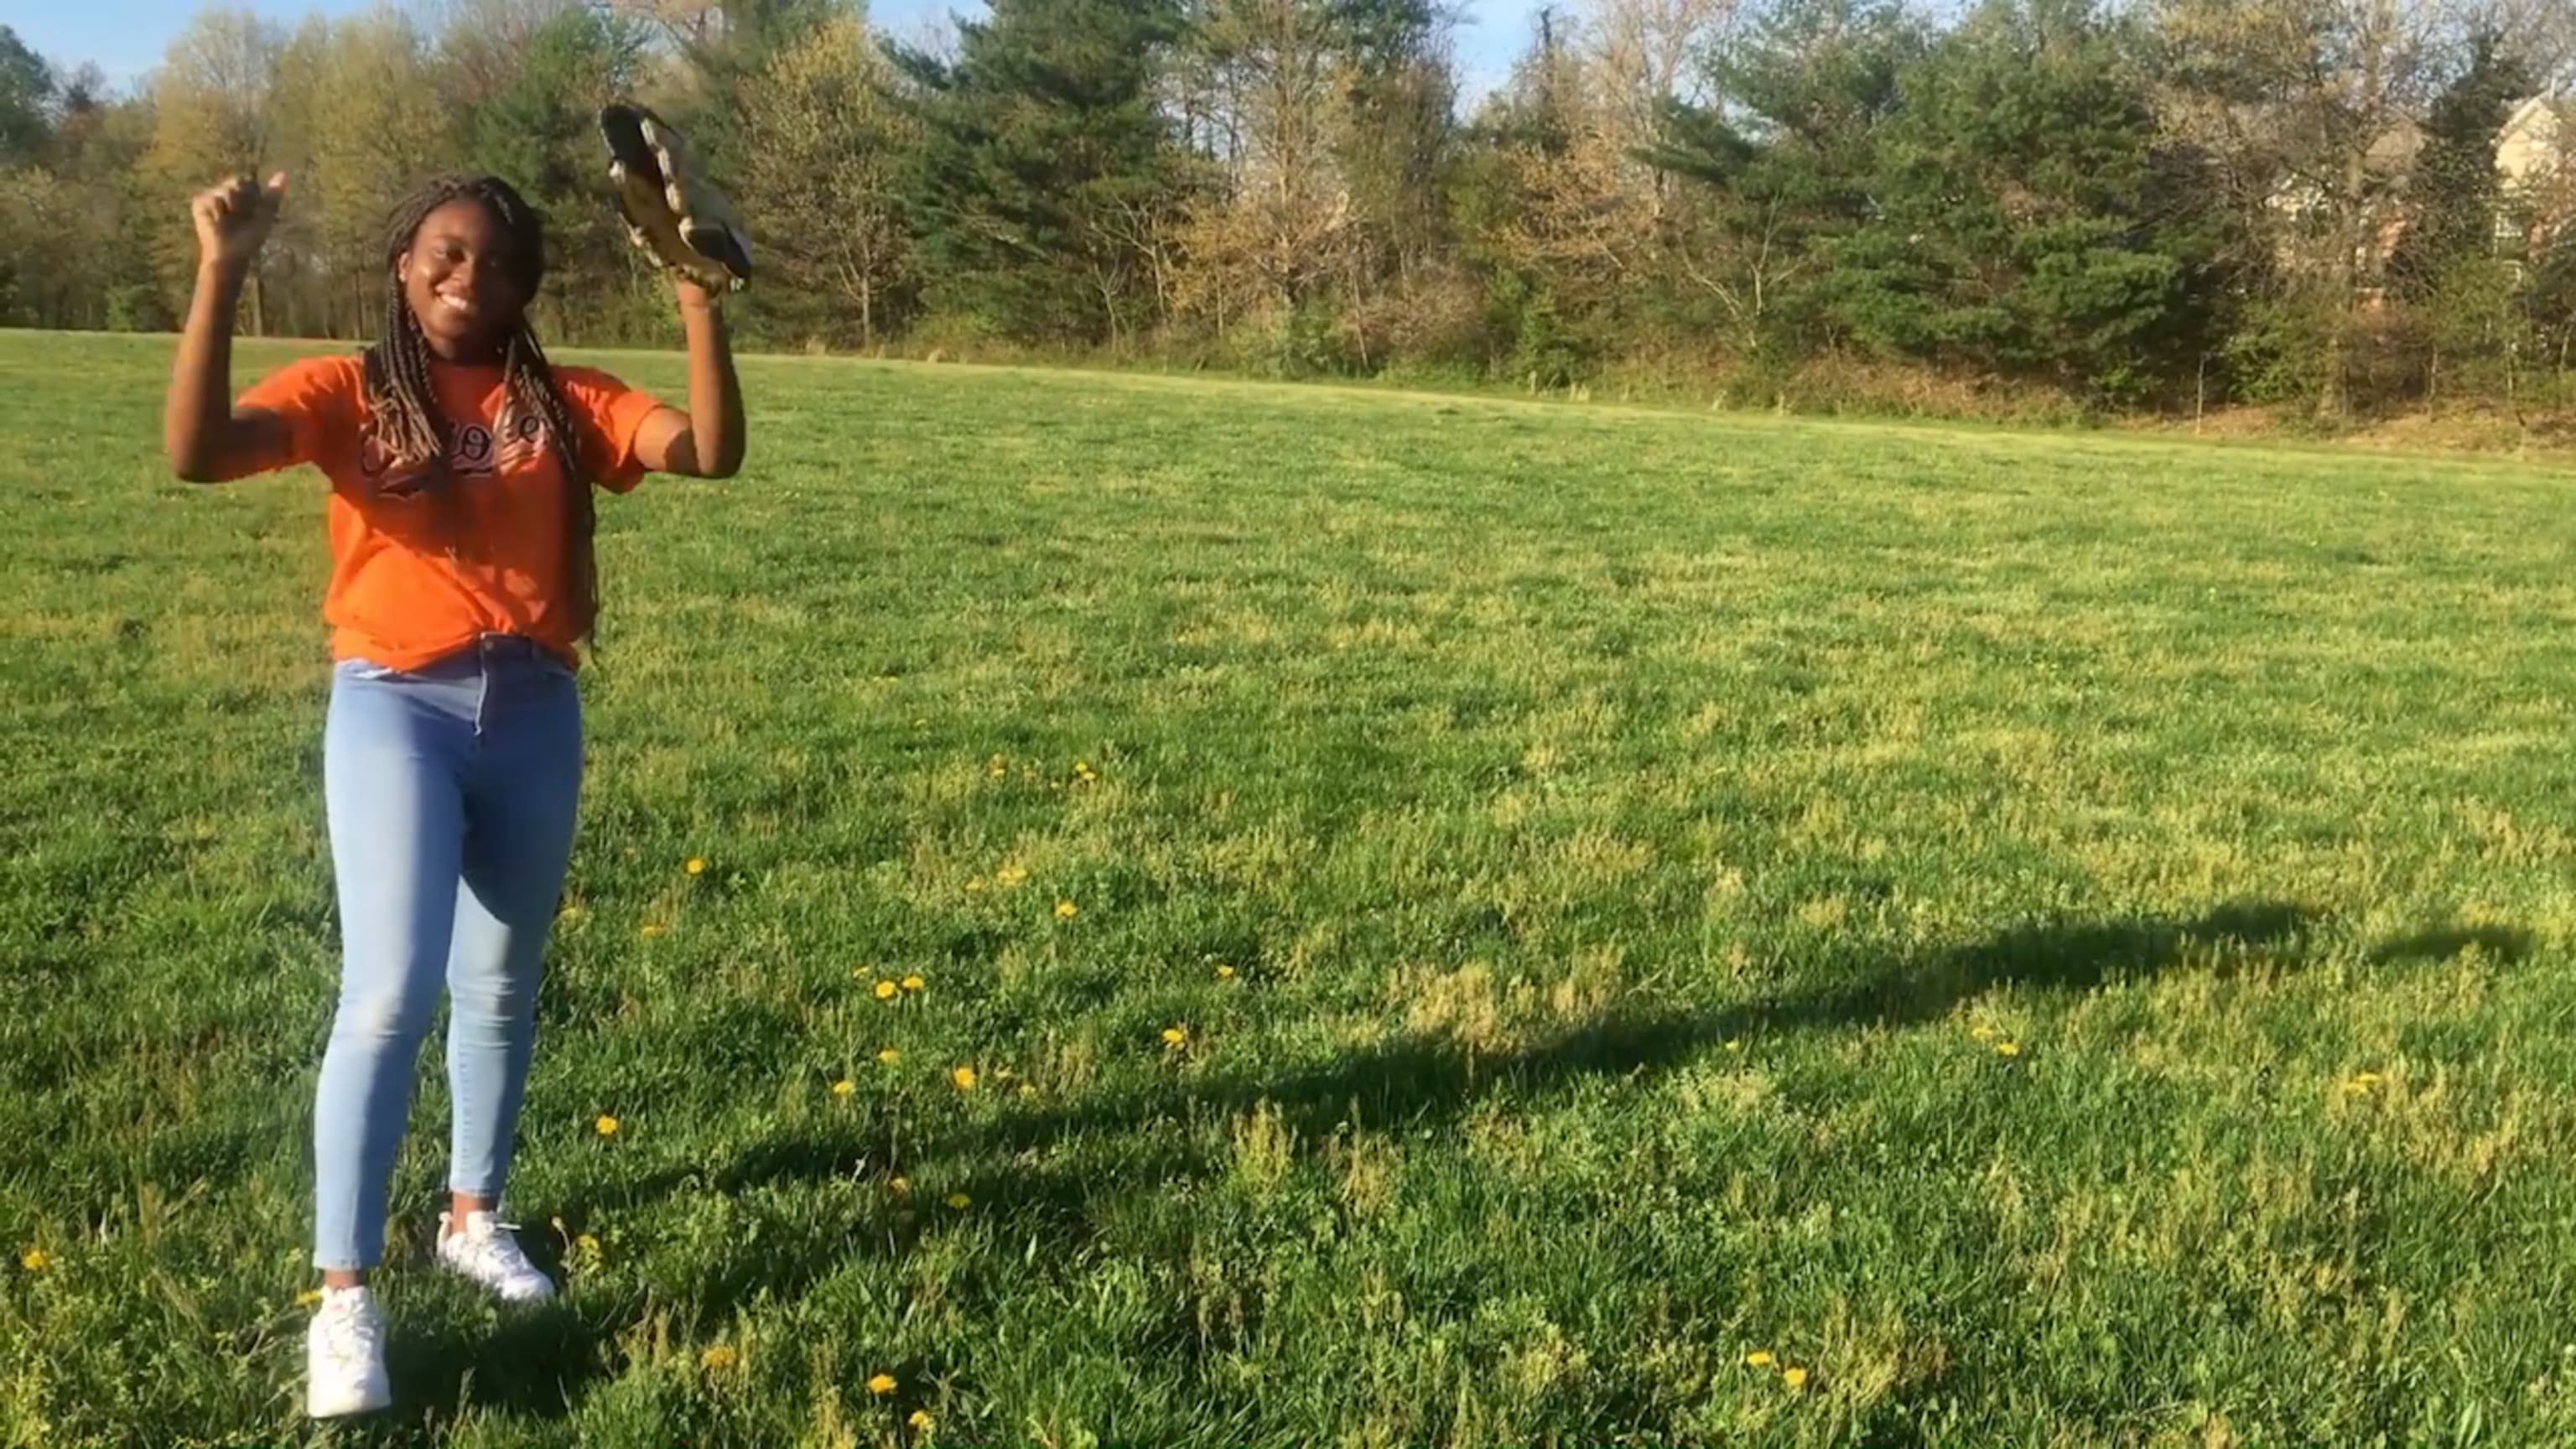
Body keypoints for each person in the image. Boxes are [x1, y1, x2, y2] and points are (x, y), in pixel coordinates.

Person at [163, 169, 745, 1417]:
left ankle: (472, 1217)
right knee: (386, 997)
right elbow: (198, 454)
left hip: (534, 709)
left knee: (498, 982)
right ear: (402, 262)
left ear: (525, 286)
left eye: (493, 263)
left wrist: (700, 302)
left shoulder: (565, 396)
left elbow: (708, 452)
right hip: (395, 708)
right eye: (444, 253)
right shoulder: (350, 390)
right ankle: (345, 1300)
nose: (465, 278)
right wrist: (219, 271)